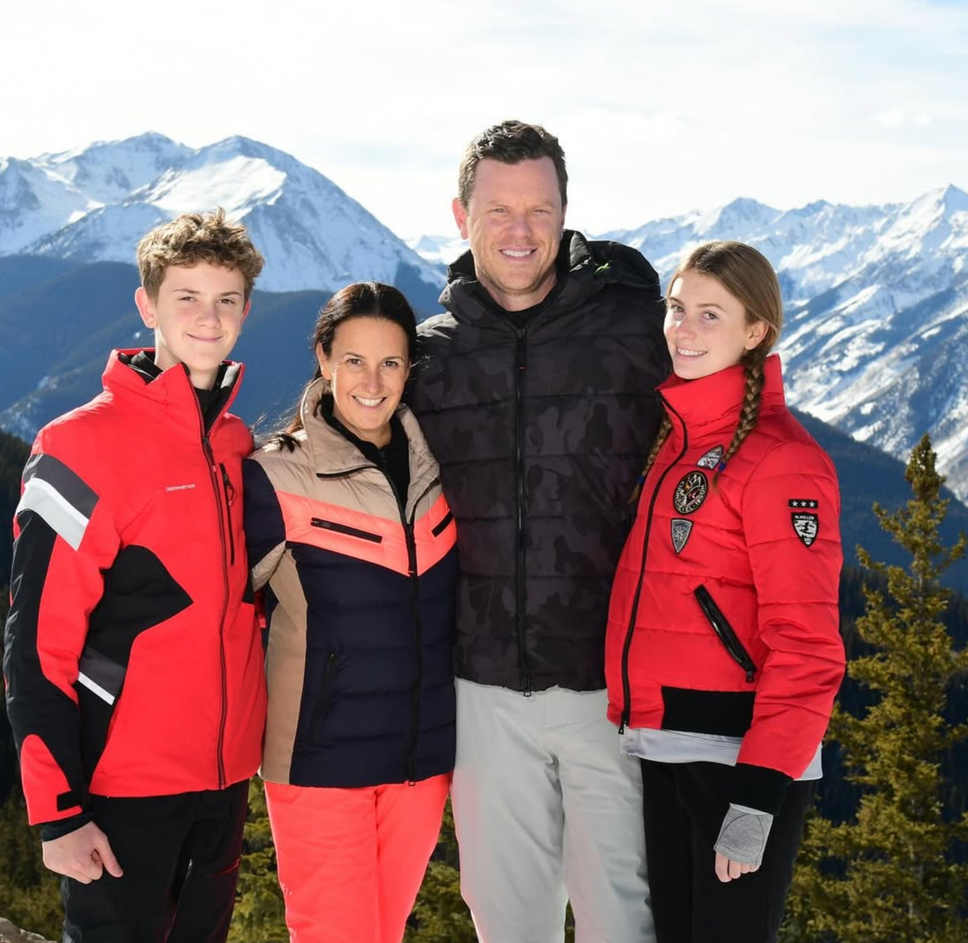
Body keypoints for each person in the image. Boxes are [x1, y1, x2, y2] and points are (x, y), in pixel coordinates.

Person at [408, 119, 668, 943]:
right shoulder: (429, 355)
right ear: (460, 215)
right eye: (499, 210)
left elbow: (729, 422)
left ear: (566, 213)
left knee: (621, 920)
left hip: (613, 691)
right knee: (508, 920)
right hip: (484, 691)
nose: (520, 231)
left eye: (539, 210)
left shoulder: (636, 332)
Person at [2, 209, 268, 943]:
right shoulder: (79, 445)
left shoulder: (236, 446)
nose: (207, 317)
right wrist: (58, 811)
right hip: (121, 787)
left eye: (225, 299)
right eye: (186, 297)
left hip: (222, 783)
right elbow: (35, 643)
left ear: (245, 310)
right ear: (147, 305)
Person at [605, 240, 846, 943]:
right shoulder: (677, 441)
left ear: (755, 331)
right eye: (678, 309)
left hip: (737, 760)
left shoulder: (785, 461)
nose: (684, 329)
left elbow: (808, 647)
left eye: (710, 314)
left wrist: (757, 797)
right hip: (665, 746)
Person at [242, 281, 457, 943]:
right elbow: (219, 616)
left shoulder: (437, 468)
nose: (372, 380)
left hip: (421, 763)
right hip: (320, 762)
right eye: (354, 360)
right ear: (323, 358)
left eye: (390, 361)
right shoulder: (275, 478)